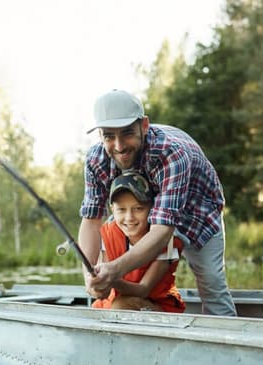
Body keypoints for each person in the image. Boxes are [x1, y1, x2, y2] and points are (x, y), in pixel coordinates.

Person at [79, 89, 237, 316]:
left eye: (127, 133)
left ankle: (227, 346)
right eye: (109, 136)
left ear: (144, 126)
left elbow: (162, 229)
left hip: (197, 213)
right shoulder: (96, 159)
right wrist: (90, 274)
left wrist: (114, 270)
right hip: (143, 211)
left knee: (211, 282)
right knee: (114, 276)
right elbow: (92, 220)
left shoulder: (172, 154)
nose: (119, 146)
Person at [90, 171, 186, 313]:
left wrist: (110, 279)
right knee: (103, 308)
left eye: (138, 209)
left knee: (120, 306)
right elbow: (105, 272)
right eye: (121, 210)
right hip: (114, 301)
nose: (129, 217)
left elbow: (143, 289)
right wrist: (99, 283)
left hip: (157, 304)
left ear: (151, 209)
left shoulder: (167, 240)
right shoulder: (108, 233)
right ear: (112, 209)